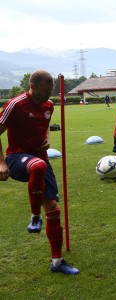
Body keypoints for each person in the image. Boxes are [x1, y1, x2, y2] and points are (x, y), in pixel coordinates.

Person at [0, 70, 80, 275]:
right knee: (38, 166)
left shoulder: (49, 105)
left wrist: (47, 139)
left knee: (53, 210)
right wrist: (1, 163)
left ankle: (57, 262)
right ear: (33, 86)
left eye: (51, 90)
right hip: (17, 159)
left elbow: (44, 126)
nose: (49, 94)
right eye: (46, 90)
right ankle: (35, 217)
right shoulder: (16, 104)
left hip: (40, 159)